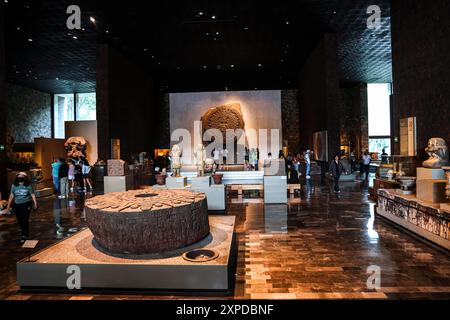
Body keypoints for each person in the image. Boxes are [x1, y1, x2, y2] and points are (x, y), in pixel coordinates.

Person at [6, 172, 38, 242]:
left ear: (25, 179)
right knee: (20, 220)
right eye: (19, 179)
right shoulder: (14, 185)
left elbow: (32, 194)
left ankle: (24, 234)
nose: (21, 182)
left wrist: (35, 204)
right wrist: (8, 206)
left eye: (22, 179)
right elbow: (11, 195)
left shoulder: (28, 185)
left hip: (26, 204)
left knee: (25, 219)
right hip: (17, 205)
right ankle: (24, 231)